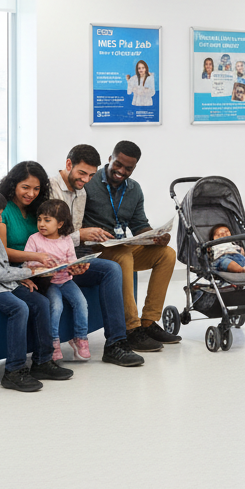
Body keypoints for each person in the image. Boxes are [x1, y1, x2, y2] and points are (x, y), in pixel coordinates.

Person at [0, 187, 73, 392]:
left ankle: (42, 362)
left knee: (40, 302)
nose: (2, 219)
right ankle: (14, 370)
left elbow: (1, 265)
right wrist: (24, 274)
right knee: (19, 308)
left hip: (0, 283)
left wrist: (20, 278)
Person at [48, 144, 144, 368]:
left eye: (91, 175)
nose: (86, 180)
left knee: (111, 269)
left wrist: (80, 252)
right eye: (82, 173)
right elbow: (49, 235)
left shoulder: (81, 191)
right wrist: (80, 235)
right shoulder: (50, 188)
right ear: (68, 164)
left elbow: (73, 237)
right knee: (114, 265)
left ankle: (116, 345)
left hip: (72, 259)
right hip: (52, 263)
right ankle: (122, 337)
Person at [82, 140, 178, 354]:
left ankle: (149, 322)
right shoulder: (88, 183)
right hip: (94, 249)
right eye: (118, 164)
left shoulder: (134, 189)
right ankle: (131, 329)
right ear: (110, 159)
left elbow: (139, 226)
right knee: (124, 255)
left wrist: (155, 236)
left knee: (167, 254)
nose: (121, 171)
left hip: (120, 245)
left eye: (128, 168)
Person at [24, 199, 90, 362]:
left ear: (60, 224)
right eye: (40, 219)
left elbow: (72, 261)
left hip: (66, 281)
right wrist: (41, 265)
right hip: (49, 284)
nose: (42, 224)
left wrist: (76, 268)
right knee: (56, 306)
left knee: (81, 302)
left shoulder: (66, 239)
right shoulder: (34, 239)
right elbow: (28, 263)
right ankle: (54, 342)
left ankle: (80, 337)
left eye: (47, 220)